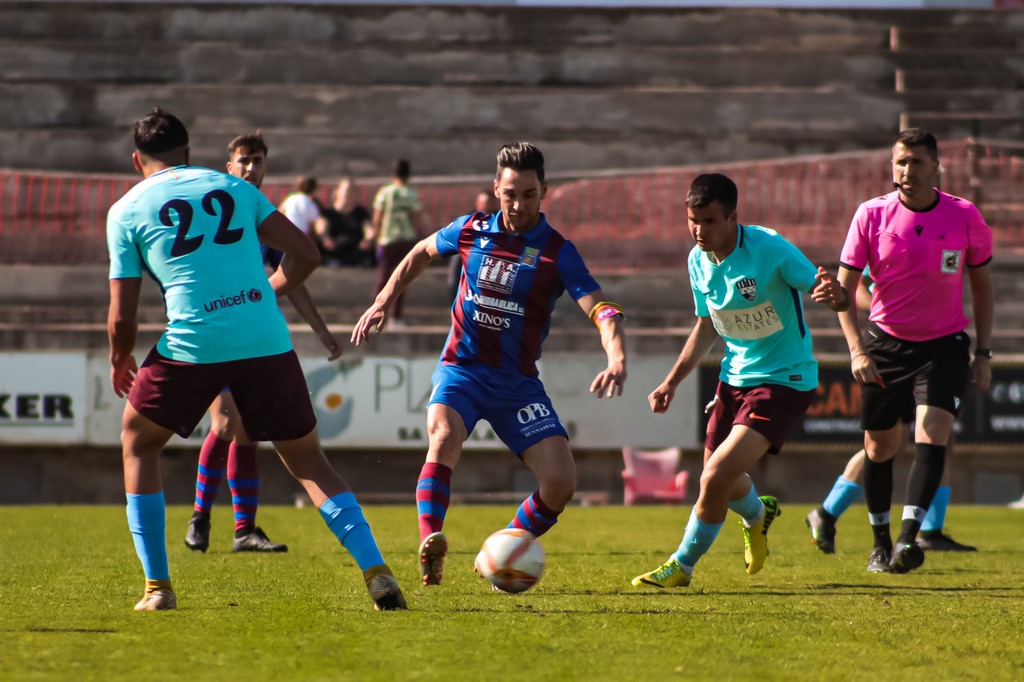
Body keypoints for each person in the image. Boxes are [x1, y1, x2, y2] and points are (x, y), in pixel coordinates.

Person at [107, 108, 405, 612]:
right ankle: (377, 571)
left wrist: (120, 358)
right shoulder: (236, 190)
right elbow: (307, 253)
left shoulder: (126, 209)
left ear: (138, 160)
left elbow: (122, 315)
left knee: (138, 442)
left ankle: (158, 589)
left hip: (193, 343)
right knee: (309, 461)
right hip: (263, 336)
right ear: (188, 152)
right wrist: (269, 292)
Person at [351, 142, 627, 587]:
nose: (518, 205)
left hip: (517, 384)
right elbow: (421, 252)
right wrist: (383, 300)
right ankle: (431, 544)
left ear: (544, 192)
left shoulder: (558, 252)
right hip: (462, 368)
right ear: (496, 188)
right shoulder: (471, 229)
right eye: (510, 193)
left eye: (529, 195)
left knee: (560, 483)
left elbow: (601, 309)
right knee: (442, 438)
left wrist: (615, 354)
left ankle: (504, 550)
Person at [631, 172, 849, 589]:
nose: (699, 230)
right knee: (720, 481)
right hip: (732, 380)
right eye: (692, 220)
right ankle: (757, 513)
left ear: (733, 217)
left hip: (784, 379)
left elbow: (826, 289)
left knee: (713, 478)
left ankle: (682, 565)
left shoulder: (770, 249)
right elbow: (706, 326)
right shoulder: (697, 261)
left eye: (710, 221)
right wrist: (671, 382)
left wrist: (834, 294)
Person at [835, 128, 993, 574]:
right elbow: (843, 292)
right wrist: (856, 351)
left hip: (945, 345)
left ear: (936, 166)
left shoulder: (964, 216)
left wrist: (983, 353)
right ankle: (879, 544)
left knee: (933, 430)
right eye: (900, 162)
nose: (906, 171)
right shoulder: (870, 215)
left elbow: (982, 289)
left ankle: (908, 539)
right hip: (885, 345)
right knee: (879, 447)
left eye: (916, 163)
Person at [184, 131, 344, 555]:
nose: (252, 167)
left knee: (248, 431)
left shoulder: (260, 213)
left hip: (254, 337)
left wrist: (320, 329)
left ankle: (243, 530)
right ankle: (200, 517)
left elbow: (292, 272)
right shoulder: (214, 207)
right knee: (225, 423)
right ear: (229, 166)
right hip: (216, 331)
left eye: (258, 160)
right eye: (244, 160)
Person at [806, 268, 976, 554]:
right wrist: (890, 304)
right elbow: (858, 288)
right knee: (885, 444)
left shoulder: (932, 235)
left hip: (931, 349)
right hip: (895, 348)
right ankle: (827, 512)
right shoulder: (888, 231)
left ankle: (932, 528)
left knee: (937, 438)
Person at [365, 159, 423, 328]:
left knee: (383, 278)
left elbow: (377, 218)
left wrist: (376, 238)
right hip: (406, 240)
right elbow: (416, 219)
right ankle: (396, 318)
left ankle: (374, 315)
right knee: (402, 278)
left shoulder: (385, 192)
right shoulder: (411, 193)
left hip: (387, 239)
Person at [448, 189, 498, 301]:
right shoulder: (468, 222)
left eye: (489, 210)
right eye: (484, 209)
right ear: (477, 205)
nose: (486, 214)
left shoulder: (501, 221)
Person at [315, 177, 374, 267]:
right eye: (347, 190)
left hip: (356, 251)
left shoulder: (361, 212)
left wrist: (368, 240)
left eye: (352, 191)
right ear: (338, 191)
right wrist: (324, 238)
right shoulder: (328, 212)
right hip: (334, 251)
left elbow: (369, 229)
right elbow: (321, 228)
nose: (349, 194)